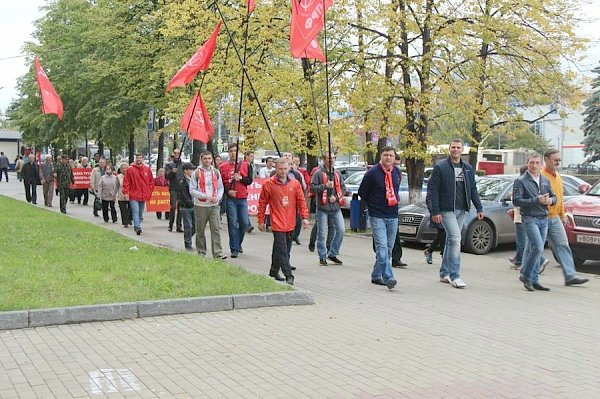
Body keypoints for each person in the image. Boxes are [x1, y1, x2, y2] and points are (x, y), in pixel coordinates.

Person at [428, 138, 484, 289]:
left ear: (462, 150)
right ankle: (455, 275)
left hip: (462, 209)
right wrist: (435, 211)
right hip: (447, 210)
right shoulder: (441, 167)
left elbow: (472, 189)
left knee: (450, 241)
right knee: (455, 238)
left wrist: (479, 208)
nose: (455, 150)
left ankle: (444, 273)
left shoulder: (467, 168)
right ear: (449, 149)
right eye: (453, 147)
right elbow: (433, 190)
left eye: (458, 147)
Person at [540, 149, 589, 286]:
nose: (558, 162)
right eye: (555, 159)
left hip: (555, 218)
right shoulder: (541, 176)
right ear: (547, 160)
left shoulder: (558, 176)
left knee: (563, 245)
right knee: (534, 247)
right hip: (541, 218)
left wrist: (562, 214)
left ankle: (570, 276)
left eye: (559, 160)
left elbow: (560, 198)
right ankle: (527, 273)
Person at [257, 158, 309, 285]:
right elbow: (262, 203)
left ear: (289, 168)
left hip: (291, 222)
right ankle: (288, 275)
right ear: (276, 168)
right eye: (280, 169)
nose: (283, 171)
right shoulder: (269, 184)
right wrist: (261, 220)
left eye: (285, 169)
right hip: (277, 221)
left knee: (279, 248)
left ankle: (273, 271)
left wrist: (305, 217)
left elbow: (301, 201)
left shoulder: (295, 183)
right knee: (283, 249)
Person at [359, 146, 401, 289]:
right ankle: (388, 277)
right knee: (381, 247)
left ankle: (376, 275)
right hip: (377, 215)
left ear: (394, 158)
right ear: (381, 157)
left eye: (390, 155)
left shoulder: (397, 172)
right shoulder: (372, 173)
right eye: (385, 155)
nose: (388, 158)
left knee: (388, 249)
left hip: (393, 214)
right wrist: (372, 206)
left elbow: (396, 189)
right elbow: (362, 192)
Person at [513, 153, 555, 291]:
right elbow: (517, 201)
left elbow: (554, 198)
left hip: (543, 217)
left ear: (541, 164)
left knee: (535, 248)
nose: (534, 165)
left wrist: (550, 201)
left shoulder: (545, 180)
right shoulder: (521, 181)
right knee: (537, 247)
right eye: (532, 162)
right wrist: (536, 200)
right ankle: (525, 275)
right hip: (530, 217)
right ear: (528, 163)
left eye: (537, 163)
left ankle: (534, 279)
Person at [310, 152, 346, 266]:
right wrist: (325, 186)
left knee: (341, 230)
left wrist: (335, 197)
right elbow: (312, 188)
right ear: (324, 159)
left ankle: (333, 253)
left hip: (335, 207)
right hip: (322, 208)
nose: (331, 160)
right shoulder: (318, 173)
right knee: (322, 233)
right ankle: (322, 256)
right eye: (329, 158)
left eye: (333, 158)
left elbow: (343, 188)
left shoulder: (337, 173)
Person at [189, 152, 226, 258]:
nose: (207, 160)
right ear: (201, 159)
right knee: (200, 230)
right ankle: (201, 252)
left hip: (214, 205)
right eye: (205, 158)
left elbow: (220, 188)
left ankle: (218, 253)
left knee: (216, 228)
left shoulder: (216, 172)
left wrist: (218, 198)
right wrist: (206, 196)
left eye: (209, 158)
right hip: (200, 205)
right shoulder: (196, 173)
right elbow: (192, 190)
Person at [219, 144, 252, 258]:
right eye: (231, 151)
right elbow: (221, 184)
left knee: (244, 223)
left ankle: (238, 242)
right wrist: (228, 191)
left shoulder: (245, 165)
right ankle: (234, 248)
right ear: (228, 153)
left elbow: (249, 180)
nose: (233, 153)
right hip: (230, 199)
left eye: (235, 151)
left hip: (242, 197)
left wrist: (241, 178)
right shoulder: (223, 166)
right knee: (232, 224)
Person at [122, 153, 155, 235]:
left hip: (143, 195)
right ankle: (137, 227)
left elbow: (151, 182)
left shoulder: (147, 169)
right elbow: (126, 182)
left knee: (140, 212)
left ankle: (138, 225)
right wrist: (126, 192)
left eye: (140, 158)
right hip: (134, 194)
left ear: (142, 159)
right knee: (135, 211)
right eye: (137, 158)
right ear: (135, 159)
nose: (138, 159)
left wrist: (149, 191)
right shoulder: (130, 169)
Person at [178, 162, 196, 251]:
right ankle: (188, 244)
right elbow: (185, 196)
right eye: (191, 169)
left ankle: (187, 236)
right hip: (185, 207)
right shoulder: (182, 182)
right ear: (185, 171)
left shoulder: (194, 181)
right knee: (188, 226)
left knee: (195, 226)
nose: (193, 171)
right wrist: (192, 203)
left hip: (194, 206)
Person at [165, 148, 184, 232]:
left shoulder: (184, 165)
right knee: (173, 207)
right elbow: (167, 177)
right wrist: (172, 172)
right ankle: (170, 224)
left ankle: (179, 226)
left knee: (180, 208)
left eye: (178, 153)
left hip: (181, 189)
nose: (177, 155)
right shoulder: (169, 165)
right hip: (173, 188)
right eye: (175, 153)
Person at [244, 150, 256, 233]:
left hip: (245, 189)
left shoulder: (251, 165)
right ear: (247, 156)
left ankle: (246, 224)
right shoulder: (243, 165)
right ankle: (247, 225)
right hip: (241, 190)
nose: (252, 158)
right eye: (251, 156)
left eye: (253, 156)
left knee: (244, 208)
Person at [116, 162, 131, 228]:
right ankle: (125, 222)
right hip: (121, 195)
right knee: (123, 210)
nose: (124, 170)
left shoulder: (131, 175)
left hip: (130, 195)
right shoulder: (118, 177)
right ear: (120, 169)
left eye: (126, 168)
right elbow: (116, 186)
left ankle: (129, 219)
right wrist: (114, 195)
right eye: (123, 168)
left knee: (130, 209)